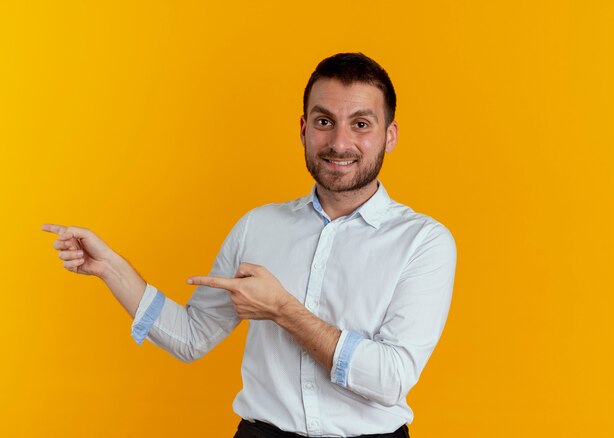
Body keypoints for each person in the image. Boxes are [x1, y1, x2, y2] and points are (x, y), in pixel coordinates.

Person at [42, 53, 457, 438]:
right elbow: (191, 337)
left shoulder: (424, 242)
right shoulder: (257, 227)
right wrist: (110, 267)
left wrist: (281, 309)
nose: (340, 143)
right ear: (303, 129)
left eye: (361, 124)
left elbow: (390, 379)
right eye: (324, 121)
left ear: (390, 135)